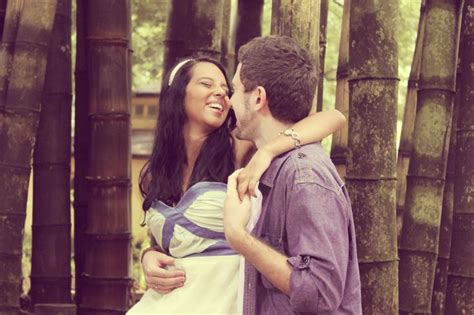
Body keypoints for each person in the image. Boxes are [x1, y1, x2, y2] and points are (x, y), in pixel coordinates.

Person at [127, 55, 345, 314]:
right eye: (207, 84)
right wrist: (149, 257)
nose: (220, 92)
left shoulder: (238, 146)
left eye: (225, 89)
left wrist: (267, 152)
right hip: (171, 299)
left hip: (225, 298)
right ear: (177, 94)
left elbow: (334, 118)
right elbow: (172, 242)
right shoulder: (156, 170)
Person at [223, 36, 362, 314]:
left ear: (258, 97)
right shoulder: (270, 165)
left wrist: (239, 237)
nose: (229, 100)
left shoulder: (304, 175)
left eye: (236, 90)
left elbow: (320, 293)